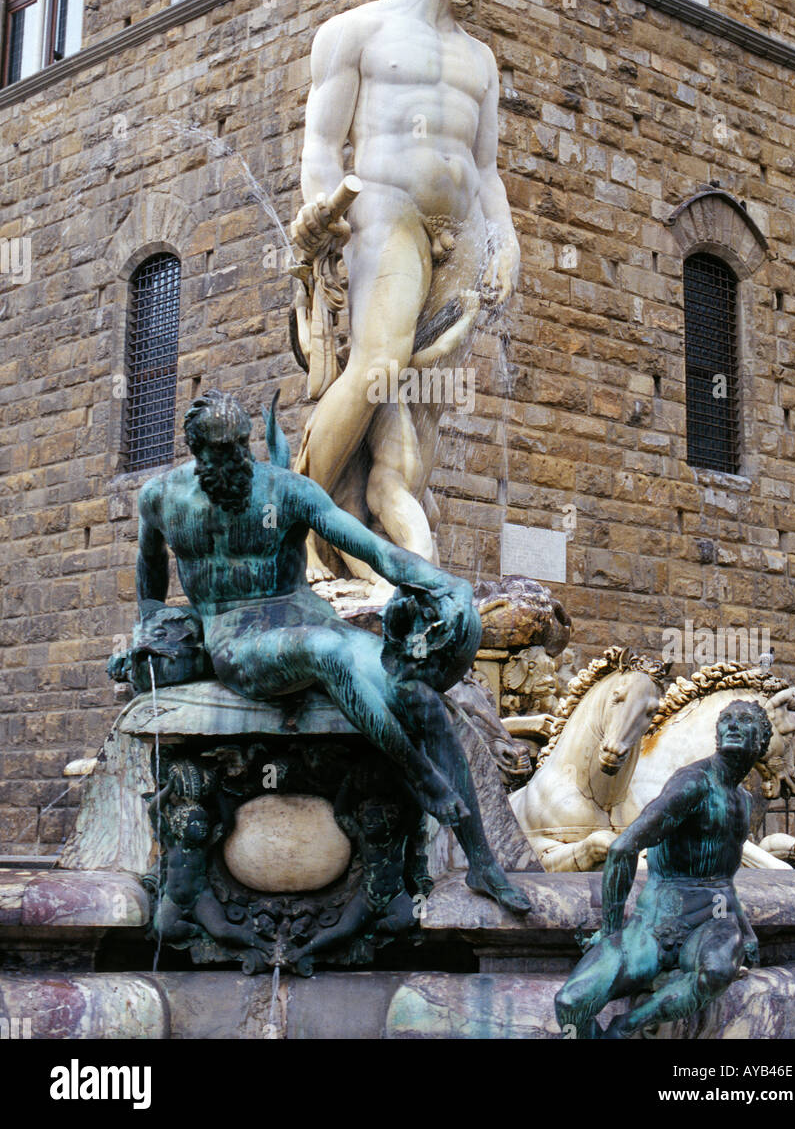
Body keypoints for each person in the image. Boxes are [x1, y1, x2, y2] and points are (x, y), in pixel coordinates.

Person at [135, 388, 530, 914]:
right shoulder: (161, 498)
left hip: (302, 614)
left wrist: (439, 584)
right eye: (220, 452)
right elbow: (149, 582)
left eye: (239, 448)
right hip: (236, 637)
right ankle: (421, 777)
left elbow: (370, 547)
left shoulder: (284, 491)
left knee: (414, 692)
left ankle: (481, 861)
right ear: (196, 451)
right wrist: (153, 624)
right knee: (326, 651)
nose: (233, 462)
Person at [292, 0, 522, 576]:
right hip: (384, 212)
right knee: (379, 362)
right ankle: (303, 526)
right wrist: (318, 212)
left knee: (420, 409)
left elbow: (485, 168)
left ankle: (385, 553)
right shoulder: (355, 31)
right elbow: (321, 147)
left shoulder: (479, 58)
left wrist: (504, 238)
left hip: (461, 230)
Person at [554, 700, 770, 1038]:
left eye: (744, 720)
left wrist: (746, 929)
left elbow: (725, 877)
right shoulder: (693, 783)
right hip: (656, 921)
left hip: (713, 918)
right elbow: (622, 847)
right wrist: (611, 932)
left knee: (714, 972)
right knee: (569, 1003)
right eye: (726, 719)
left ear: (761, 742)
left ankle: (626, 1026)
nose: (732, 725)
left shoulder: (744, 800)